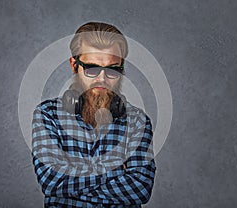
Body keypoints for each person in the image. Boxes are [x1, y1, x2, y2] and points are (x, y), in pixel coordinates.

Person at [32, 22, 156, 208]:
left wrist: (74, 184)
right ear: (75, 65)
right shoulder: (48, 115)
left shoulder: (138, 122)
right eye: (92, 68)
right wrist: (115, 170)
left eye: (113, 69)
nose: (102, 78)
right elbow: (52, 182)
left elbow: (140, 190)